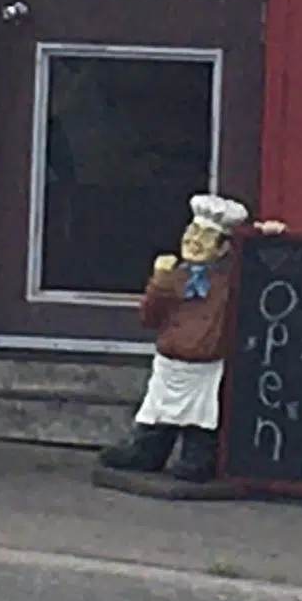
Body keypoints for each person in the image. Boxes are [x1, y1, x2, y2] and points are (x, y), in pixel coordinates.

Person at [98, 193, 284, 481]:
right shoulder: (175, 277)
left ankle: (199, 460)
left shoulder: (231, 279)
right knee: (157, 411)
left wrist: (265, 236)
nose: (194, 240)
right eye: (192, 231)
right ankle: (147, 453)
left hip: (206, 364)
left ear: (223, 248)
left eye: (206, 236)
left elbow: (265, 265)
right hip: (170, 360)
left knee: (203, 418)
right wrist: (159, 282)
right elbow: (150, 318)